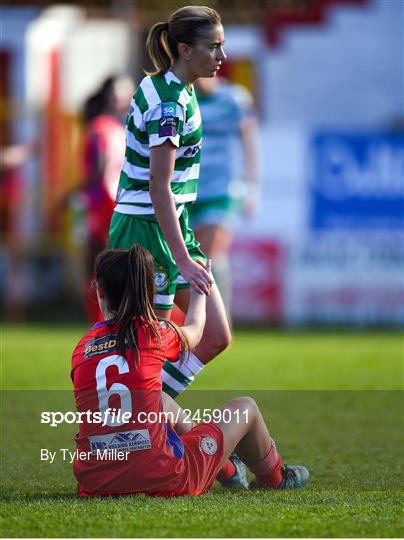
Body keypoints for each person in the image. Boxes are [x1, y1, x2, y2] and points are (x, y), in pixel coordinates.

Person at [71, 245, 309, 497]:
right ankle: (274, 478)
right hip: (162, 478)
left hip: (95, 483)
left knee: (161, 400)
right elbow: (196, 330)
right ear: (147, 290)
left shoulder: (82, 347)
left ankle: (227, 470)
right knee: (245, 407)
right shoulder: (156, 333)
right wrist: (198, 289)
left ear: (99, 291)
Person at [108, 6, 231, 401]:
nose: (221, 56)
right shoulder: (168, 103)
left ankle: (150, 414)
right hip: (147, 228)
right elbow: (158, 186)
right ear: (185, 49)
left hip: (170, 223)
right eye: (213, 47)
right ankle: (142, 434)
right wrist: (181, 259)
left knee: (215, 336)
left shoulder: (175, 86)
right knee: (150, 350)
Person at [189, 76, 259, 318]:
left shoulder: (234, 98)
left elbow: (250, 143)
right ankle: (198, 319)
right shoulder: (182, 98)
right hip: (189, 190)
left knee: (210, 252)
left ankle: (219, 319)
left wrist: (252, 188)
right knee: (191, 257)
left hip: (223, 188)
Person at [80, 75, 135, 321]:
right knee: (113, 266)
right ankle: (112, 320)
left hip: (100, 204)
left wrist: (70, 193)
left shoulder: (101, 126)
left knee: (96, 267)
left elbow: (99, 170)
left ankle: (101, 322)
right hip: (118, 204)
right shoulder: (124, 128)